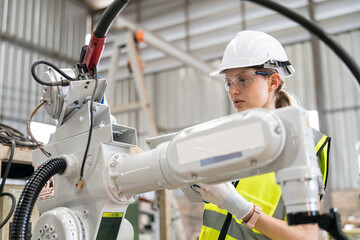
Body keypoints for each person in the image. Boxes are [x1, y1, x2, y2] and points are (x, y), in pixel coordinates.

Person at [191, 30, 331, 240]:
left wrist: (241, 209)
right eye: (229, 82)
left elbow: (306, 236)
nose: (232, 91)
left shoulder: (300, 144)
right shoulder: (228, 139)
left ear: (273, 82)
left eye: (243, 80)